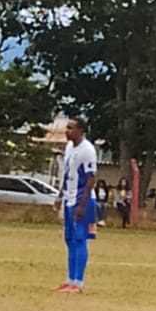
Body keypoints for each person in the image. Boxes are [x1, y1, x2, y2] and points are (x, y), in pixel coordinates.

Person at [56, 116, 99, 292]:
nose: (67, 131)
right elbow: (67, 173)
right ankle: (70, 279)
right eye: (67, 127)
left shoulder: (87, 150)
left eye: (71, 128)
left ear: (81, 130)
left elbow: (91, 179)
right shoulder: (69, 148)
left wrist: (82, 205)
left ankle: (78, 282)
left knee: (80, 239)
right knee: (69, 239)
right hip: (69, 198)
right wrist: (60, 195)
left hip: (82, 200)